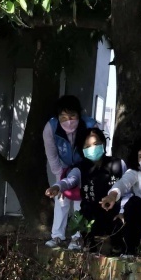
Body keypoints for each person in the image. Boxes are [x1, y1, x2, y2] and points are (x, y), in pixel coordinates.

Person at [44, 127, 125, 252]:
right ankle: (89, 247)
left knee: (120, 223)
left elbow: (128, 189)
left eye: (96, 144)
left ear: (103, 143)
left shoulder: (118, 164)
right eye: (87, 146)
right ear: (82, 149)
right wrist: (57, 187)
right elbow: (70, 180)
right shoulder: (81, 167)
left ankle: (118, 248)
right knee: (83, 214)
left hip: (114, 212)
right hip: (92, 214)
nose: (92, 148)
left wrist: (123, 210)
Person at [44, 94, 97, 248]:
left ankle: (77, 237)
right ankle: (57, 236)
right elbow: (51, 154)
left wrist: (85, 173)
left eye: (72, 115)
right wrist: (60, 176)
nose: (68, 120)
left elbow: (95, 151)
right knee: (61, 199)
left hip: (85, 166)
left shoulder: (90, 125)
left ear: (79, 114)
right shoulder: (50, 128)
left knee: (80, 201)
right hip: (63, 166)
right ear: (57, 117)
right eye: (63, 117)